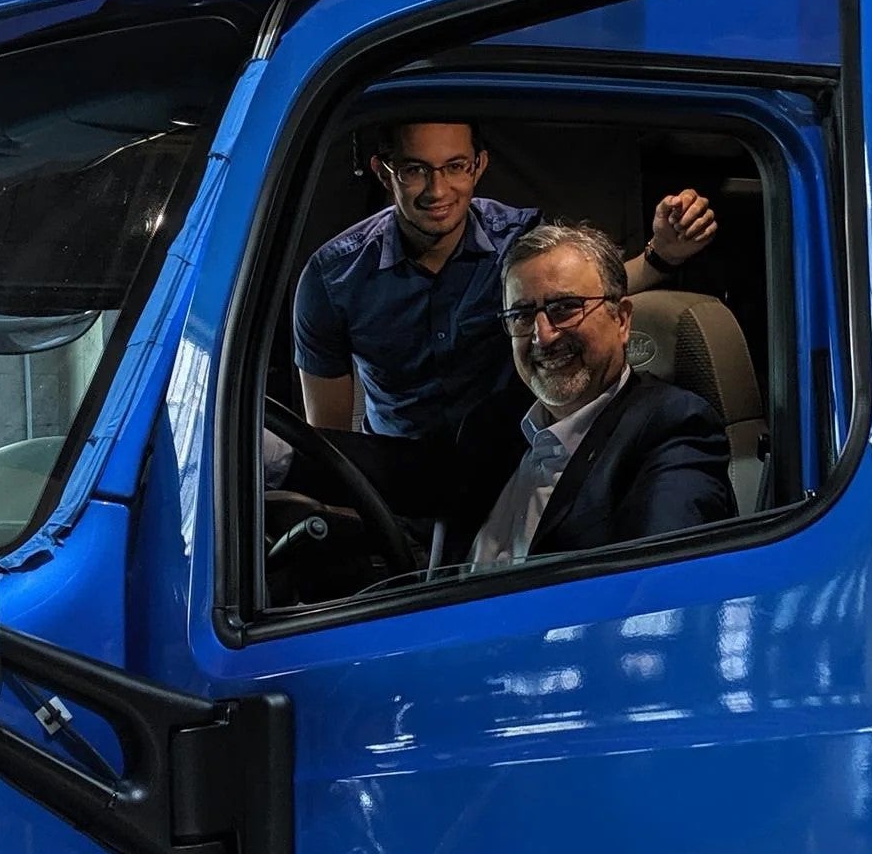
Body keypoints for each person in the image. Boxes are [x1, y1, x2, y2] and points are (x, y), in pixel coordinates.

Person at [285, 222, 735, 584]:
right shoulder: (495, 423)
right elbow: (407, 471)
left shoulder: (673, 427)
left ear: (620, 319)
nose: (543, 335)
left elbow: (660, 594)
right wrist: (280, 452)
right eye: (522, 315)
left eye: (565, 308)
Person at [292, 120, 718, 440]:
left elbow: (584, 292)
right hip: (390, 477)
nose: (437, 191)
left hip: (507, 466)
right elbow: (330, 440)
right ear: (385, 173)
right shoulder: (333, 277)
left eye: (455, 167)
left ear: (478, 166)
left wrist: (661, 255)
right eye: (415, 170)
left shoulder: (518, 242)